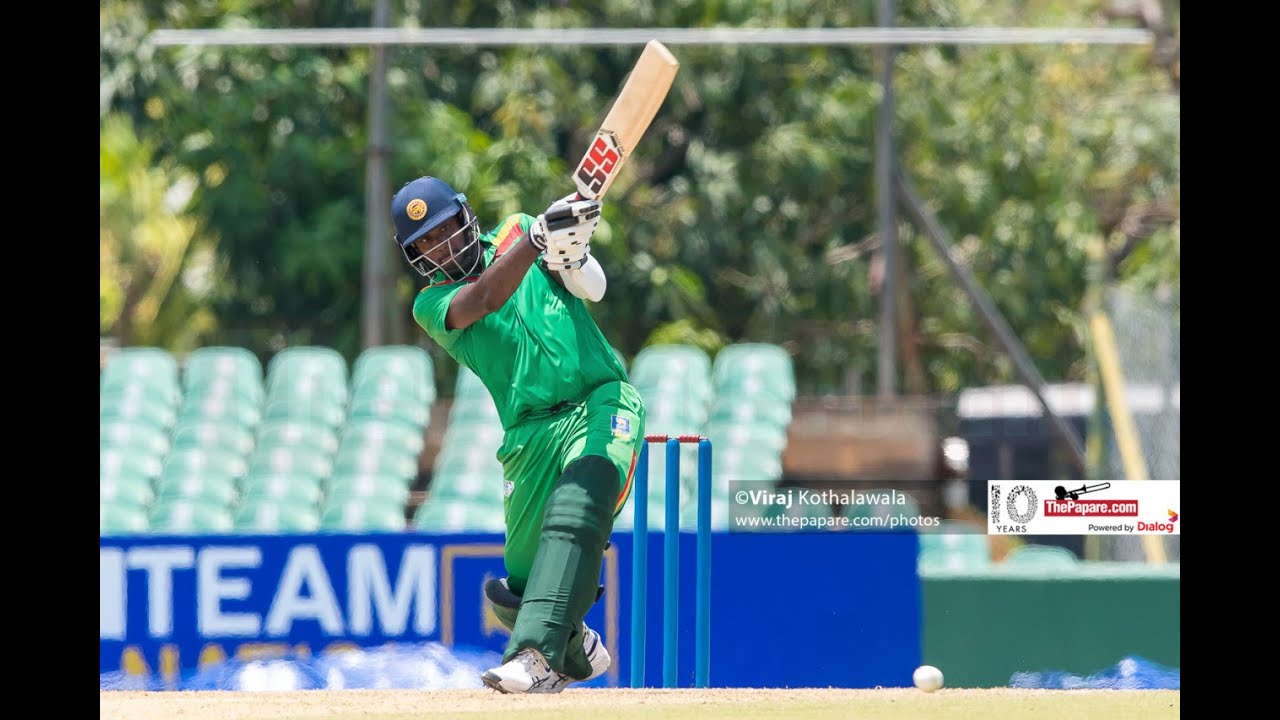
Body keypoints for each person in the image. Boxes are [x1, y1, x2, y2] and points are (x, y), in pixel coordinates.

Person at [390, 176, 647, 693]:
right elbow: (483, 298)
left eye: (444, 231)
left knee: (581, 497)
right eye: (425, 245)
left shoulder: (518, 229)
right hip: (528, 437)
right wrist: (537, 242)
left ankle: (532, 657)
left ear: (466, 218)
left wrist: (570, 250)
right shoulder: (432, 304)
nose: (441, 247)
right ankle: (572, 648)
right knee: (522, 590)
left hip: (599, 399)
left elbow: (591, 287)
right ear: (415, 257)